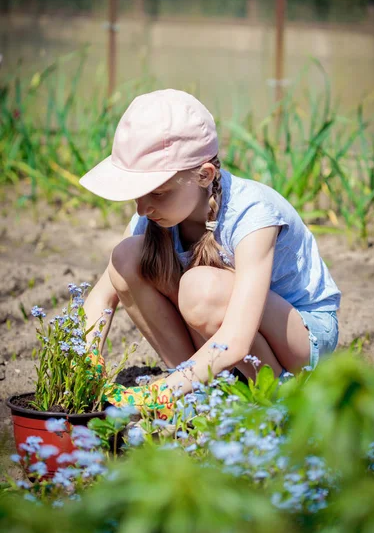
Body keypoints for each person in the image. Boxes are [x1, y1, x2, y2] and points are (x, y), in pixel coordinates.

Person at [79, 89, 340, 419]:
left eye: (157, 192)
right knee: (126, 257)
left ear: (204, 175)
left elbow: (237, 338)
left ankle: (277, 399)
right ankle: (201, 393)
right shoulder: (155, 215)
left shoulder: (252, 215)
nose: (142, 208)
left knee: (200, 289)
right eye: (136, 195)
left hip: (299, 337)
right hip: (230, 328)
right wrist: (85, 369)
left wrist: (158, 392)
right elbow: (101, 298)